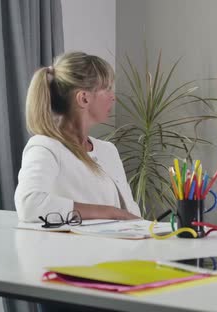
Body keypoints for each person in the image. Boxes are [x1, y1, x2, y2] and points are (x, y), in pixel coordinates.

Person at [15, 51, 141, 224]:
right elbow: (29, 205)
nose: (113, 97)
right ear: (83, 98)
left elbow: (130, 212)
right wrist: (112, 213)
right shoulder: (45, 147)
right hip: (77, 250)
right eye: (107, 88)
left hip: (122, 247)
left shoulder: (108, 150)